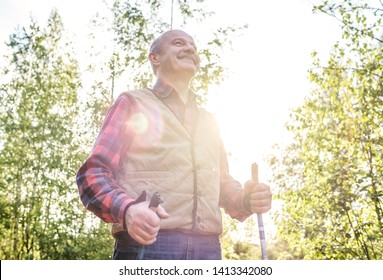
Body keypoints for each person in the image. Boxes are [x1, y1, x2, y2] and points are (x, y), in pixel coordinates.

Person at [76, 29, 272, 260]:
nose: (190, 49)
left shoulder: (209, 120)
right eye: (179, 43)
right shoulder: (132, 103)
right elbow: (92, 174)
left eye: (194, 47)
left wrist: (246, 199)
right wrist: (127, 209)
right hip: (150, 245)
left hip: (208, 250)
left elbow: (220, 182)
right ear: (155, 58)